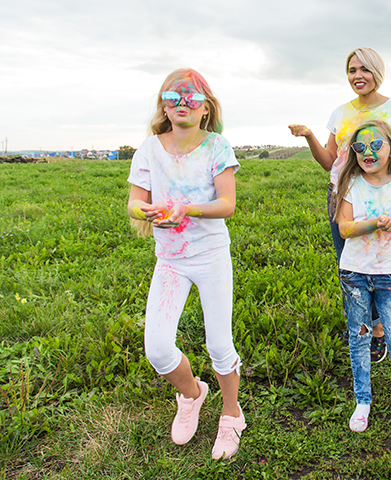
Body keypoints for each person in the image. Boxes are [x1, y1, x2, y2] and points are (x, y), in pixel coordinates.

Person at [127, 68, 246, 460]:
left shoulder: (217, 147)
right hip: (170, 260)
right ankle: (192, 394)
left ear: (206, 107)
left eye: (192, 98)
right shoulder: (149, 149)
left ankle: (231, 415)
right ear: (163, 103)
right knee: (158, 350)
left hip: (210, 256)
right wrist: (150, 211)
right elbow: (134, 202)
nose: (182, 104)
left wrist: (185, 208)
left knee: (219, 344)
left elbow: (226, 204)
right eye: (173, 96)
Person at [288, 47, 391, 363]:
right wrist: (309, 136)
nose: (358, 76)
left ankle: (380, 329)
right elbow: (330, 160)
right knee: (349, 263)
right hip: (341, 194)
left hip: (378, 197)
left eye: (365, 69)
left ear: (377, 73)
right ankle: (363, 324)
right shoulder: (340, 113)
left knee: (377, 262)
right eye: (352, 70)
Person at [334, 119, 391, 432]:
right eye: (360, 147)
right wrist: (373, 223)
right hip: (354, 273)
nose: (367, 152)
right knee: (359, 339)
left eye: (375, 145)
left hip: (388, 275)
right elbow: (344, 228)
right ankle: (363, 401)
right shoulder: (350, 184)